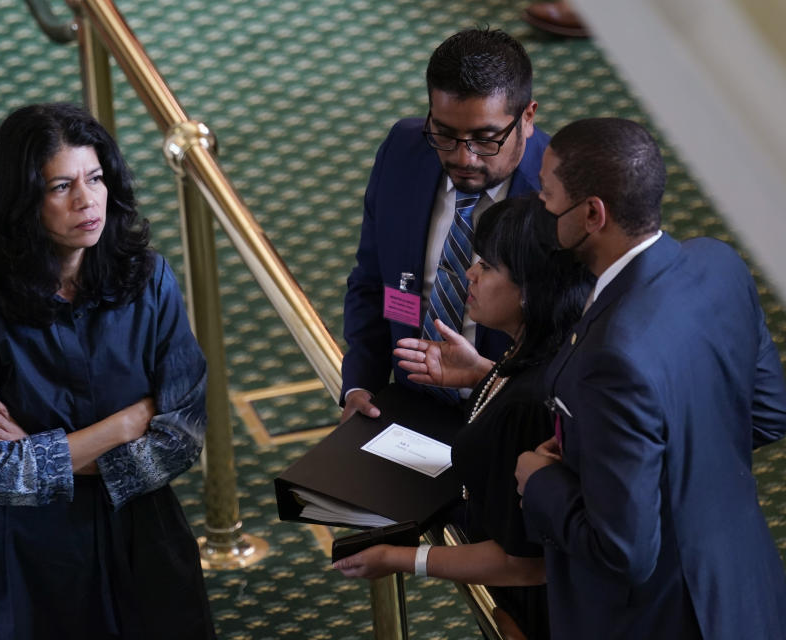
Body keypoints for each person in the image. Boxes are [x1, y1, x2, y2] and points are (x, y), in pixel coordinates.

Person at [0, 103, 216, 639]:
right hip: (22, 547)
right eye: (61, 186)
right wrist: (125, 426)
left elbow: (183, 435)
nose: (87, 201)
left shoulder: (150, 277)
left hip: (139, 532)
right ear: (23, 202)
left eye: (96, 178)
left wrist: (41, 451)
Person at [515, 117, 786, 639]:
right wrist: (658, 466)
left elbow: (623, 551)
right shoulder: (719, 264)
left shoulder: (615, 356)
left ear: (593, 213)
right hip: (746, 590)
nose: (541, 207)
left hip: (661, 618)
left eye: (546, 194)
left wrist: (542, 481)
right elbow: (770, 414)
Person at [334, 195, 594, 640]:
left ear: (530, 291)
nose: (469, 273)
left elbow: (525, 563)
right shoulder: (536, 353)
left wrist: (397, 559)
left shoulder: (534, 398)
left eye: (488, 267)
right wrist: (482, 374)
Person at [340, 27, 550, 422]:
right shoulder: (404, 149)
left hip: (508, 414)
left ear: (528, 117)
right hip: (405, 404)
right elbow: (372, 282)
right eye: (445, 134)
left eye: (486, 139)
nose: (464, 158)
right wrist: (359, 385)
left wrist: (492, 380)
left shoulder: (559, 196)